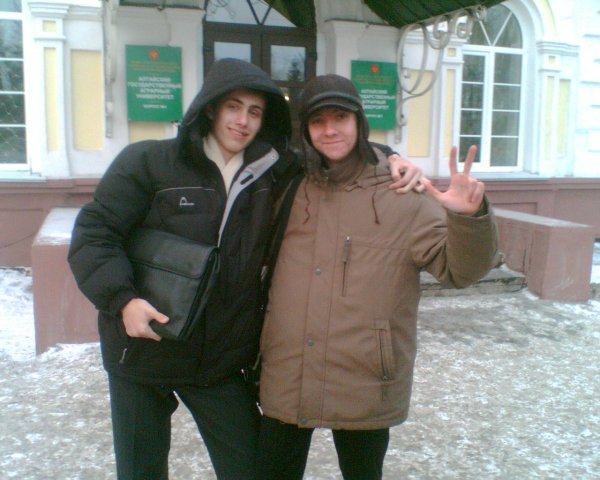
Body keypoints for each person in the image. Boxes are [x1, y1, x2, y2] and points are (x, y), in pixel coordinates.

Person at [67, 59, 422, 480]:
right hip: (143, 348)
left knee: (251, 470)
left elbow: (338, 151)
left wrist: (389, 157)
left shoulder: (274, 170)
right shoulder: (148, 161)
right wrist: (123, 300)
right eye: (233, 107)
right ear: (211, 108)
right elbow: (95, 234)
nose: (243, 121)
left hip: (217, 361)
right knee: (141, 471)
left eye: (255, 112)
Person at [255, 74, 499, 480]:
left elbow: (459, 271)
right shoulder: (290, 188)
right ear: (305, 130)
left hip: (364, 380)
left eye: (340, 117)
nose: (330, 130)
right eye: (318, 121)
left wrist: (467, 218)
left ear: (359, 122)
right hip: (288, 373)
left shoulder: (402, 192)